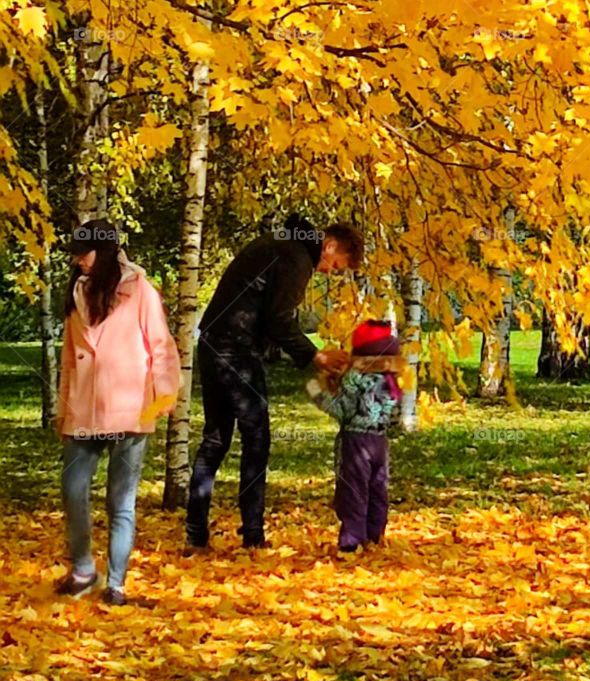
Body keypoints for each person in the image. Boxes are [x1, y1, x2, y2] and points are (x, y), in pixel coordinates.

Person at [184, 215, 362, 551]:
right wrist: (316, 356)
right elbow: (278, 319)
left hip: (212, 342)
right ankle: (252, 536)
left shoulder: (280, 243)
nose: (329, 273)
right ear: (330, 246)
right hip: (234, 348)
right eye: (336, 266)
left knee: (216, 439)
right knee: (256, 438)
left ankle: (195, 534)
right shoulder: (296, 258)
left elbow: (265, 312)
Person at [55, 219, 180, 604]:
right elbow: (69, 359)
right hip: (84, 410)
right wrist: (63, 409)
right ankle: (83, 570)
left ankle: (117, 584)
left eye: (84, 252)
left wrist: (161, 403)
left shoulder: (139, 289)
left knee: (119, 500)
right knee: (72, 488)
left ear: (104, 252)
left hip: (130, 410)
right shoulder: (76, 291)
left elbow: (161, 346)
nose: (78, 261)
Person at [305, 319, 402, 553]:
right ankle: (374, 535)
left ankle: (351, 541)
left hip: (357, 442)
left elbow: (342, 410)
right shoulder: (391, 381)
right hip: (380, 442)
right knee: (378, 488)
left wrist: (317, 393)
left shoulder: (355, 378)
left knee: (354, 490)